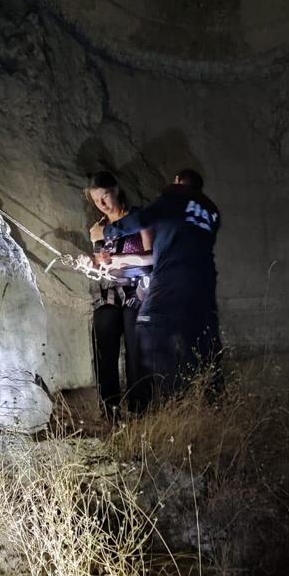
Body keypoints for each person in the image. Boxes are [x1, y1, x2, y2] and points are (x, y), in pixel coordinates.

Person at [91, 167, 221, 401]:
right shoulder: (212, 212)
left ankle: (158, 403)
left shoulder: (174, 198)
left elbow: (142, 220)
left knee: (147, 329)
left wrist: (109, 231)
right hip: (203, 282)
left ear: (179, 180)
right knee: (204, 341)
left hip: (170, 278)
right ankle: (210, 399)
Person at [86, 171, 154, 417]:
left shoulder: (138, 218)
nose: (102, 205)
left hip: (137, 286)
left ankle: (141, 408)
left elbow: (152, 256)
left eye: (105, 197)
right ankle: (110, 408)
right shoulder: (98, 229)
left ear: (116, 190)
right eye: (96, 201)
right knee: (103, 330)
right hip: (110, 288)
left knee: (135, 340)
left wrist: (122, 260)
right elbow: (99, 264)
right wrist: (95, 261)